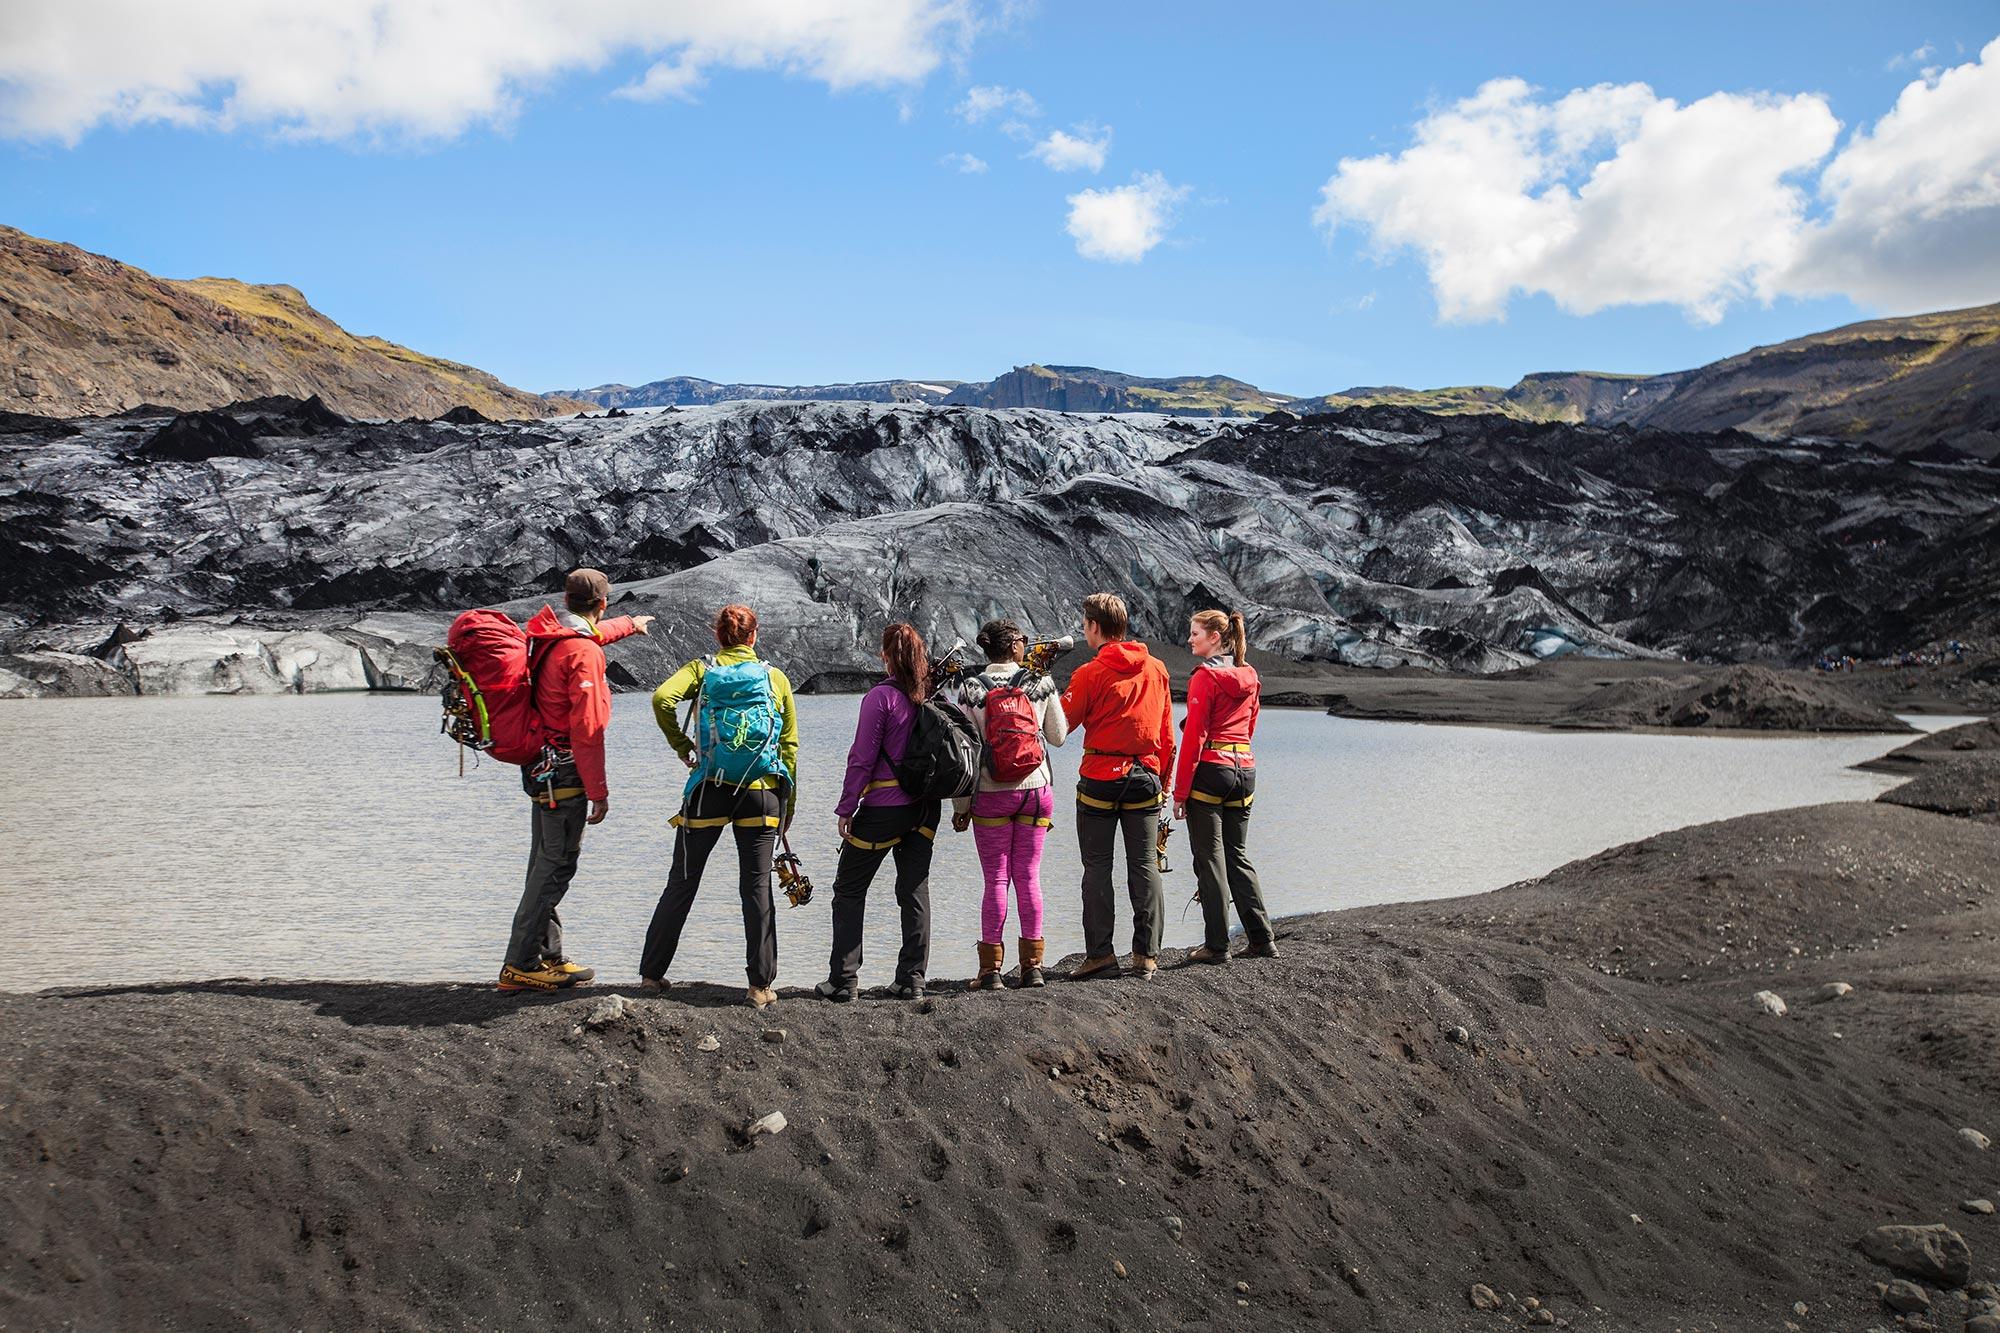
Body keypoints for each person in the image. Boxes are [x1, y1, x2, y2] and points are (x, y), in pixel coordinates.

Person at [500, 568, 653, 992]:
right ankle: (519, 964)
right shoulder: (582, 653)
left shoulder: (550, 636)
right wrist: (599, 793)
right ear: (602, 602)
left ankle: (548, 956)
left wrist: (628, 626)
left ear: (565, 601)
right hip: (564, 772)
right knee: (556, 865)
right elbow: (588, 729)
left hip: (539, 767)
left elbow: (587, 637)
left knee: (543, 863)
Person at [640, 603, 799, 1009]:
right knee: (756, 885)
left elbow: (661, 698)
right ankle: (760, 986)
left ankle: (652, 975)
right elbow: (790, 747)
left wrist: (682, 746)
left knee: (683, 880)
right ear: (754, 635)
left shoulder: (701, 670)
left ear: (718, 636)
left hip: (709, 786)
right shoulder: (775, 678)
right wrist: (787, 802)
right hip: (761, 791)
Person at [817, 624, 941, 1002]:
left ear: (885, 656)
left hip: (884, 809)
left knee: (850, 890)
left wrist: (846, 806)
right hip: (924, 810)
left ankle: (843, 980)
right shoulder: (929, 694)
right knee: (914, 889)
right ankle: (912, 979)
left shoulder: (879, 698)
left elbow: (862, 758)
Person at [1060, 592, 1174, 980]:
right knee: (1144, 865)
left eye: (1084, 623)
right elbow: (1166, 736)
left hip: (1099, 779)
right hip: (1146, 778)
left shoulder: (1088, 674)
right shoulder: (1156, 669)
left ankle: (1100, 955)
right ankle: (1146, 955)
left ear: (1094, 627)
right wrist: (1165, 781)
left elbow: (1061, 726)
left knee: (1096, 867)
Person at [951, 619, 1068, 990]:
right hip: (1035, 791)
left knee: (996, 879)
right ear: (1015, 645)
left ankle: (990, 971)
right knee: (1029, 877)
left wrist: (960, 808)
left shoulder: (970, 688)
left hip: (989, 793)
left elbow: (963, 753)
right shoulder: (1040, 682)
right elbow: (1059, 737)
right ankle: (1033, 967)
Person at [1173, 609, 1277, 963]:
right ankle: (1262, 939)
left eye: (1195, 633)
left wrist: (1180, 792)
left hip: (1212, 771)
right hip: (1245, 769)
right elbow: (1250, 726)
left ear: (1215, 637)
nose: (1190, 639)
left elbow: (1195, 737)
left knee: (1210, 860)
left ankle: (1217, 945)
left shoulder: (1204, 677)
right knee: (1237, 855)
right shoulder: (1250, 674)